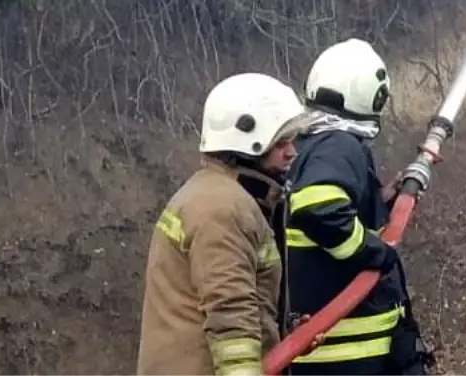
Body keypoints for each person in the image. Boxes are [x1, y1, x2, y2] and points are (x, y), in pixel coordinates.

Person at [137, 71, 311, 376]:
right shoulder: (224, 209)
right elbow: (230, 315)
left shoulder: (215, 194)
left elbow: (245, 299)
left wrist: (280, 331)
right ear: (247, 141)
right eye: (281, 142)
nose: (292, 152)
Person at [286, 38, 433, 376]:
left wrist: (384, 199)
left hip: (326, 354)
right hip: (354, 356)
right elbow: (317, 207)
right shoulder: (339, 145)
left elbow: (329, 211)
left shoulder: (305, 145)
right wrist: (375, 253)